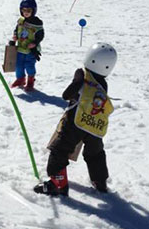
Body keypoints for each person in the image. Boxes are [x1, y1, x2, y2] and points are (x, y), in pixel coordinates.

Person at [34, 42, 117, 196]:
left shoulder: (82, 75)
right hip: (94, 126)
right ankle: (100, 181)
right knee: (95, 153)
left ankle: (58, 184)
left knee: (59, 150)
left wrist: (76, 82)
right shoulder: (103, 84)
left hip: (75, 124)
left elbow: (66, 95)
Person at [10, 0, 44, 91]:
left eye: (28, 10)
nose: (26, 12)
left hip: (30, 50)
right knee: (19, 65)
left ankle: (30, 80)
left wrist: (35, 43)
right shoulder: (21, 21)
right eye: (23, 10)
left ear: (33, 10)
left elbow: (40, 35)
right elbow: (17, 30)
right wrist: (15, 36)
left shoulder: (37, 23)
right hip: (20, 48)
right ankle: (20, 79)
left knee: (29, 65)